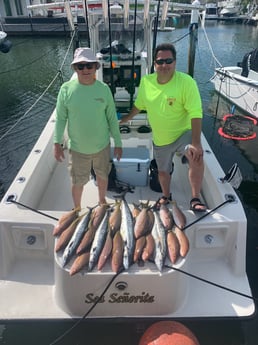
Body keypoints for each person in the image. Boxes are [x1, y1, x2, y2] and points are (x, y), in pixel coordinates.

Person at [120, 43, 206, 212]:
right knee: (162, 172)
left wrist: (196, 143)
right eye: (160, 61)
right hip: (161, 138)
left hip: (183, 133)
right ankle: (166, 196)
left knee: (197, 158)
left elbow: (196, 113)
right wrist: (125, 119)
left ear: (175, 62)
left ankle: (195, 198)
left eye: (168, 61)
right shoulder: (146, 81)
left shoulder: (187, 82)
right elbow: (139, 105)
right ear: (154, 64)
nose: (164, 65)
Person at [54, 47, 122, 209]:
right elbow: (61, 119)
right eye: (80, 66)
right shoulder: (65, 89)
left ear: (95, 67)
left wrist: (118, 143)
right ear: (75, 68)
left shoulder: (104, 89)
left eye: (89, 66)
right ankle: (77, 207)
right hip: (77, 148)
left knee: (102, 175)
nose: (85, 70)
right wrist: (57, 143)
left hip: (102, 146)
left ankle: (102, 200)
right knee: (78, 181)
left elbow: (112, 118)